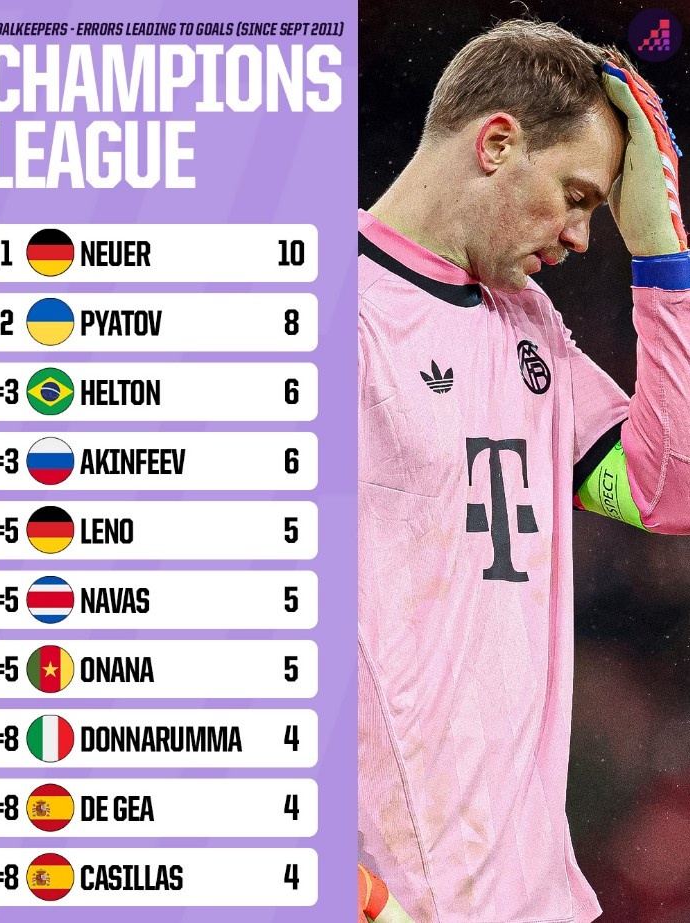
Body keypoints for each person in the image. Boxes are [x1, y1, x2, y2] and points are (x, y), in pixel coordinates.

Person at [358, 18, 690, 923]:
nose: (583, 236)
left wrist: (661, 259)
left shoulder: (528, 325)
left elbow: (670, 487)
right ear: (497, 142)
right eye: (575, 196)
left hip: (537, 899)